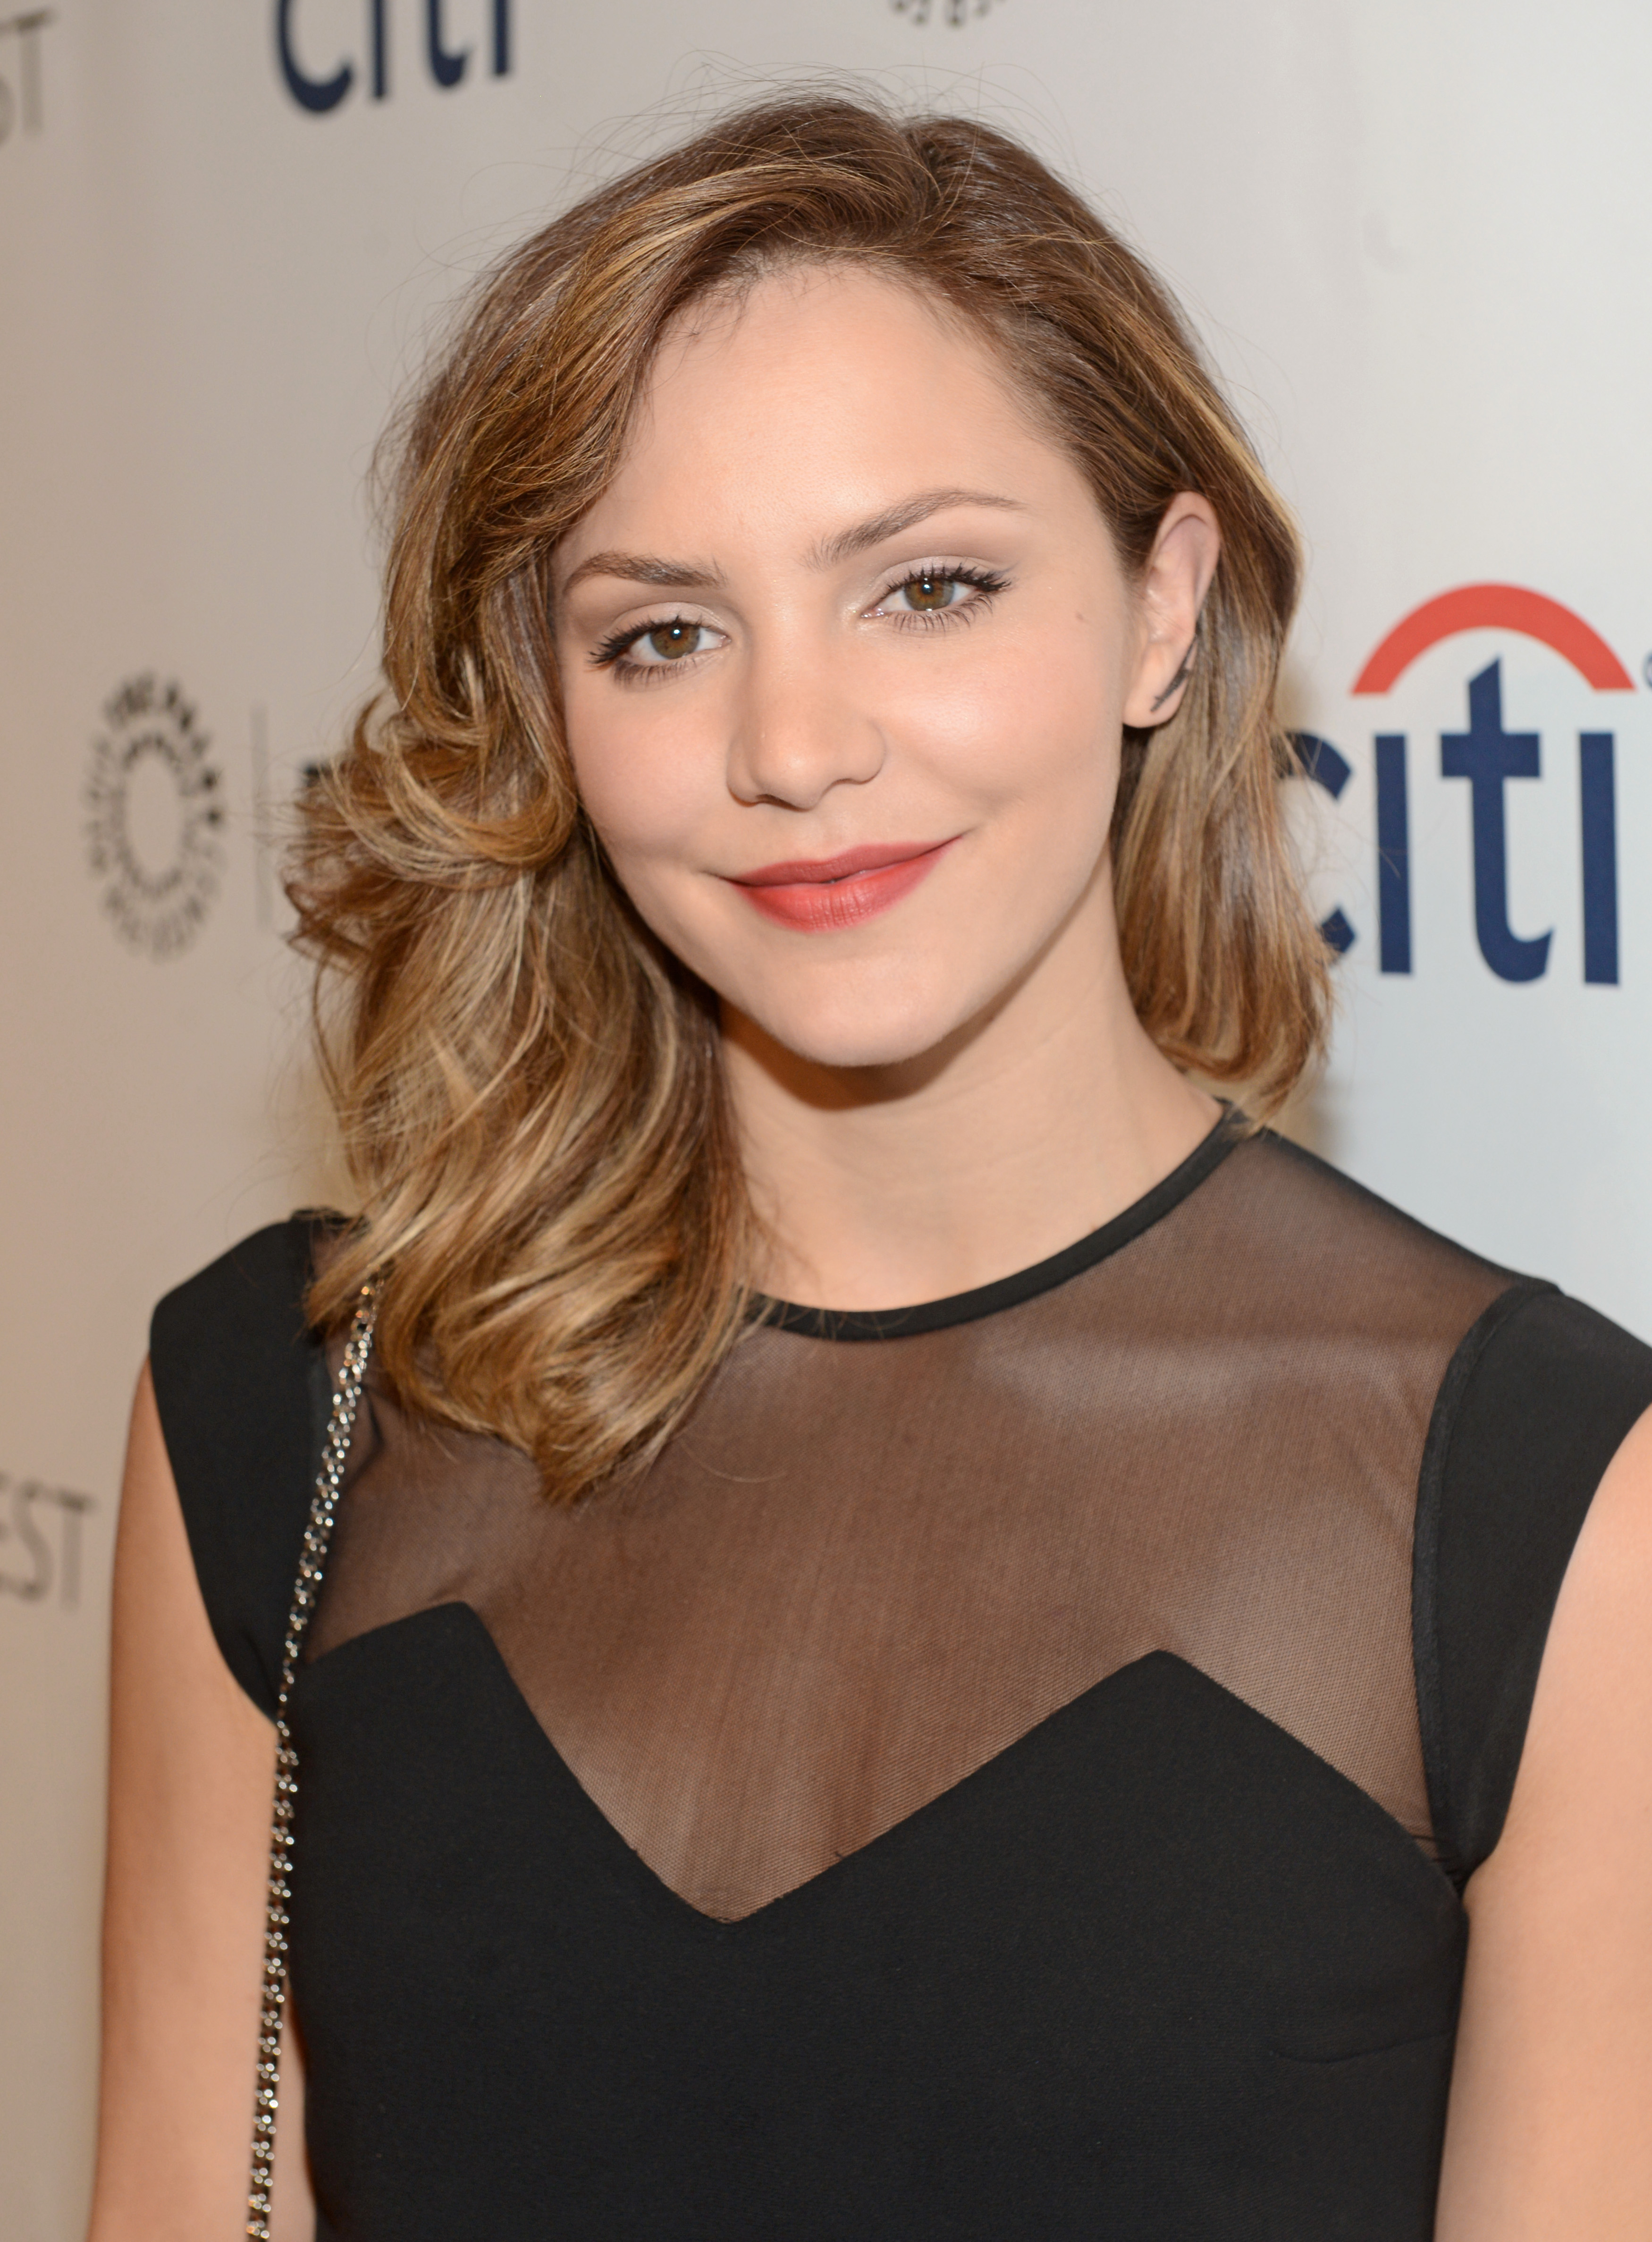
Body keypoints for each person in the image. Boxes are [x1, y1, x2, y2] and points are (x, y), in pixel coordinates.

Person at [89, 93, 1652, 2242]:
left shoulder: (1536, 1502)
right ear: (547, 706)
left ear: (1159, 606)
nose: (795, 749)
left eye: (927, 589)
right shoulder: (294, 1414)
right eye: (663, 632)